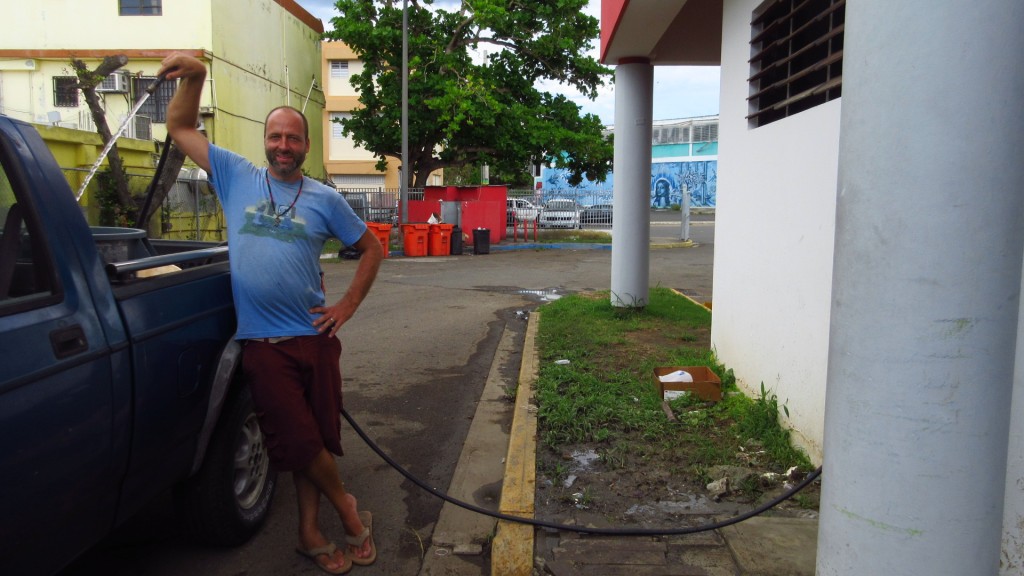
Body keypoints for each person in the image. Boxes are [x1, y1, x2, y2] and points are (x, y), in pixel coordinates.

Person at [159, 53, 383, 574]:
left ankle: (309, 533)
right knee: (300, 440)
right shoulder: (234, 175)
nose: (284, 146)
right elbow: (179, 126)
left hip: (315, 337)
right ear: (266, 141)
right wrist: (196, 75)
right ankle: (348, 511)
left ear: (307, 145)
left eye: (294, 139)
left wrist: (346, 306)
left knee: (317, 438)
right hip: (264, 343)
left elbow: (372, 250)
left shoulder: (325, 198)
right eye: (276, 137)